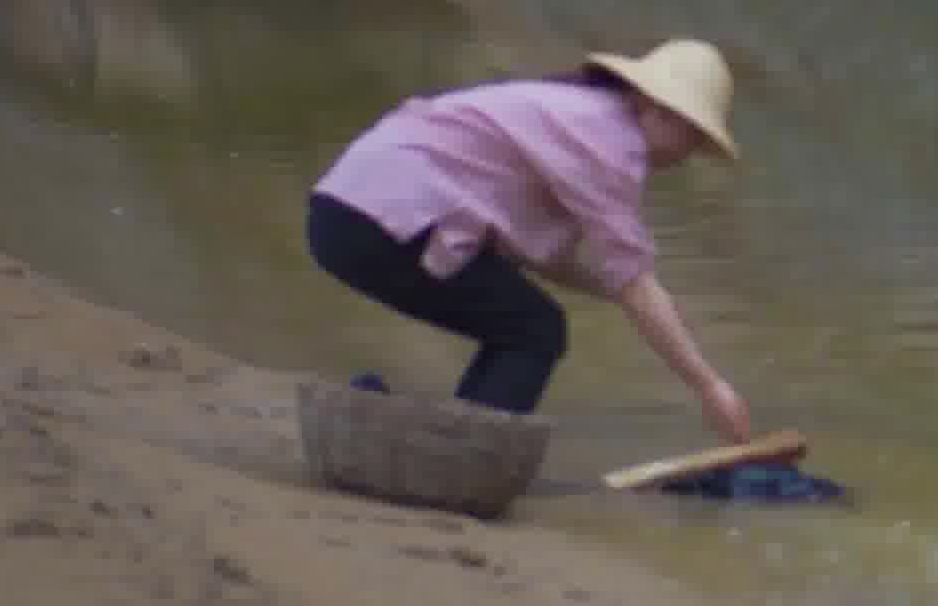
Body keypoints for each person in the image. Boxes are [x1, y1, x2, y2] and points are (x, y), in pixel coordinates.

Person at [305, 38, 754, 443]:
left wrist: (631, 297)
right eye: (691, 136)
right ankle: (468, 455)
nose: (686, 154)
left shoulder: (582, 114)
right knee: (535, 329)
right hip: (379, 217)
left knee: (522, 322)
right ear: (655, 108)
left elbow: (565, 265)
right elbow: (634, 283)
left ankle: (458, 443)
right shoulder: (609, 144)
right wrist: (709, 387)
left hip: (348, 211)